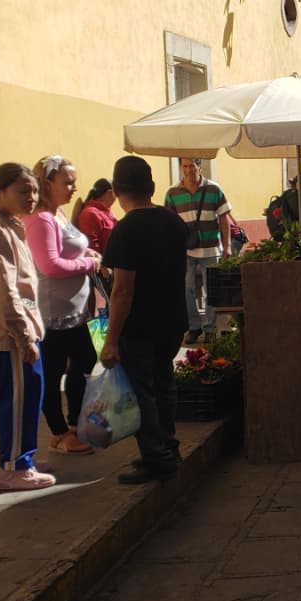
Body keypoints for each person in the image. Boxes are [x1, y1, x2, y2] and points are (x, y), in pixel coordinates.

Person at [101, 156, 189, 485]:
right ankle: (169, 446)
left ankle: (156, 456)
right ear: (151, 187)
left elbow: (122, 291)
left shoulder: (125, 230)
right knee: (164, 384)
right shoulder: (173, 222)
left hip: (139, 325)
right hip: (172, 319)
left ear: (117, 189)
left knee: (143, 391)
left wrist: (111, 340)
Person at [0, 164, 55, 491]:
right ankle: (12, 466)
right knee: (19, 397)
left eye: (34, 190)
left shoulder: (5, 224)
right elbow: (5, 293)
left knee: (29, 394)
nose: (31, 197)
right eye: (23, 190)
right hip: (11, 334)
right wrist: (23, 336)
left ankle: (18, 456)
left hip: (18, 330)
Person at [22, 155, 101, 456]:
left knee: (84, 362)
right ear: (47, 183)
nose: (73, 187)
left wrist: (89, 252)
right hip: (53, 313)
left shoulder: (58, 214)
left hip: (74, 312)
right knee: (53, 374)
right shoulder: (41, 219)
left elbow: (71, 247)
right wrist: (89, 263)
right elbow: (50, 265)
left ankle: (72, 423)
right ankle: (58, 433)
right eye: (67, 182)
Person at [164, 158, 231, 344]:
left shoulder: (214, 189)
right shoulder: (172, 193)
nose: (188, 170)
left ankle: (210, 327)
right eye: (184, 166)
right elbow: (169, 222)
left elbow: (224, 218)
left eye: (191, 166)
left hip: (210, 248)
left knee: (212, 290)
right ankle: (194, 327)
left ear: (199, 167)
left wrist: (227, 247)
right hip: (185, 251)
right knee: (187, 289)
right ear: (180, 168)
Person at [72, 177, 116, 254]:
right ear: (109, 193)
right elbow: (92, 249)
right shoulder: (91, 214)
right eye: (116, 193)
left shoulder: (107, 213)